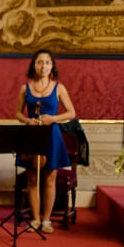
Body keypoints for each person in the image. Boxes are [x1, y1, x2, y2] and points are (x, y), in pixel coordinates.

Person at [14, 49, 76, 233]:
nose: (43, 66)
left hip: (52, 136)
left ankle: (46, 220)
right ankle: (35, 219)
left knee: (50, 179)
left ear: (52, 66)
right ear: (34, 65)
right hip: (31, 135)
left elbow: (71, 113)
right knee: (32, 179)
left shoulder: (59, 87)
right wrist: (27, 120)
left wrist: (53, 119)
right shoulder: (25, 88)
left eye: (47, 62)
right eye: (40, 62)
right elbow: (17, 113)